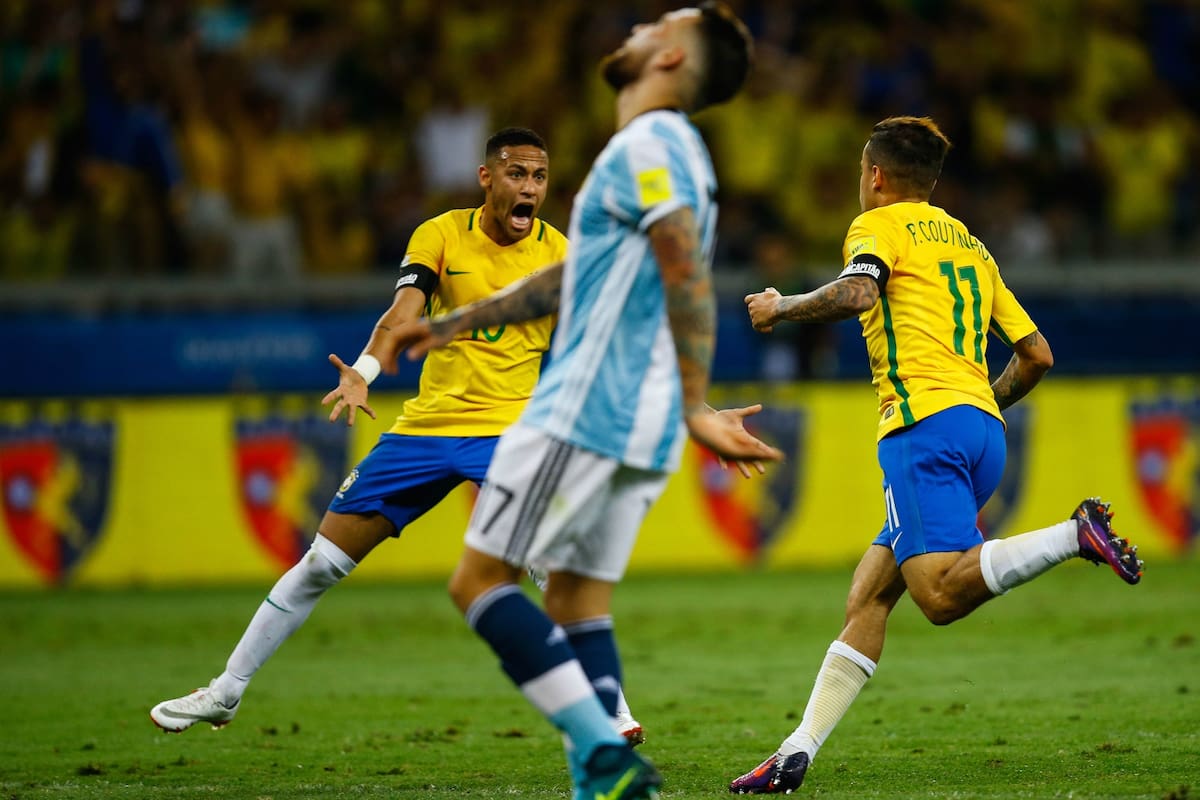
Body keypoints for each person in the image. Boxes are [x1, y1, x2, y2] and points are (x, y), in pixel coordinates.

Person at [149, 126, 644, 744]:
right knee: (317, 566)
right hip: (426, 432)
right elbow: (401, 314)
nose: (530, 189)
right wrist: (362, 373)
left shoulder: (561, 255)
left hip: (511, 431)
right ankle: (224, 693)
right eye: (517, 174)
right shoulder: (440, 235)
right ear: (487, 178)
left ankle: (613, 710)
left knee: (546, 558)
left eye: (540, 177)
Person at [392, 5, 775, 799]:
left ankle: (605, 754)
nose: (633, 27)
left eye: (656, 23)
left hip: (585, 406)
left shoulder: (647, 145)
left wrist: (697, 403)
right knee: (572, 601)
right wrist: (455, 322)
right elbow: (577, 279)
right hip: (636, 421)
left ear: (669, 56)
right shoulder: (674, 153)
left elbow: (683, 267)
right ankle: (600, 784)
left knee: (479, 582)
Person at [729, 116, 1144, 795]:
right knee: (867, 597)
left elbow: (859, 292)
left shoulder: (877, 227)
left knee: (941, 596)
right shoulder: (971, 245)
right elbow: (1037, 354)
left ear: (874, 176)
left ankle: (1076, 532)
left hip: (921, 429)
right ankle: (795, 752)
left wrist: (783, 306)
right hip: (983, 431)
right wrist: (979, 402)